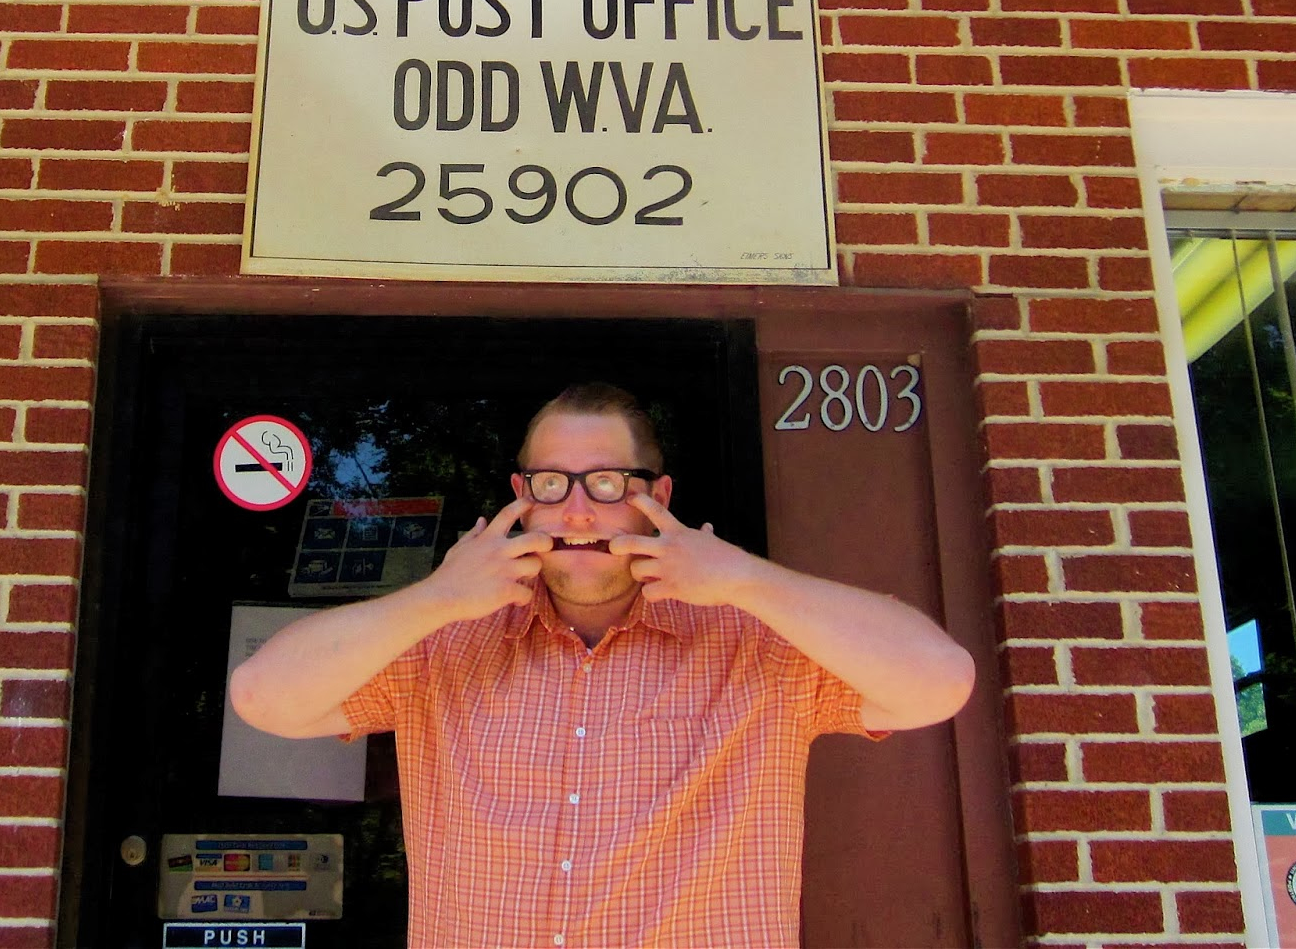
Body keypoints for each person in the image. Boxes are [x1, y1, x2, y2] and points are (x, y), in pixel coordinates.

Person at [230, 382, 975, 949]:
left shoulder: (759, 641)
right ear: (522, 497)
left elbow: (939, 681)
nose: (578, 513)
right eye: (552, 484)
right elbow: (266, 698)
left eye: (608, 484)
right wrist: (432, 598)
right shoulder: (440, 643)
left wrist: (747, 579)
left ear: (657, 495)